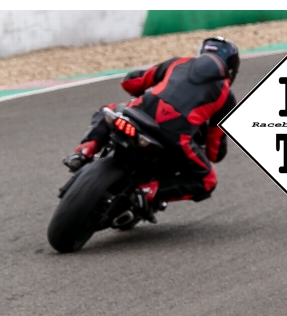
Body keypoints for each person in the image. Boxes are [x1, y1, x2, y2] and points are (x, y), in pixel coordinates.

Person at [64, 36, 239, 212]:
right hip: (174, 136)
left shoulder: (178, 63)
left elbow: (131, 82)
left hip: (140, 113)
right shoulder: (226, 95)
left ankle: (86, 149)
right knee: (207, 181)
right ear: (231, 68)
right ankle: (148, 191)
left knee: (108, 110)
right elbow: (215, 152)